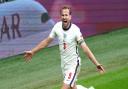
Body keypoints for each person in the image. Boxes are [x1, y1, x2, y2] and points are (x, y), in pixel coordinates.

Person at [24, 6, 105, 89]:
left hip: (74, 65)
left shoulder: (75, 30)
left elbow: (85, 49)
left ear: (70, 17)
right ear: (60, 16)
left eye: (66, 15)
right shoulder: (57, 27)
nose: (64, 17)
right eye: (62, 15)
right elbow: (46, 41)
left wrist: (97, 64)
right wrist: (33, 51)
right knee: (73, 87)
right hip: (64, 65)